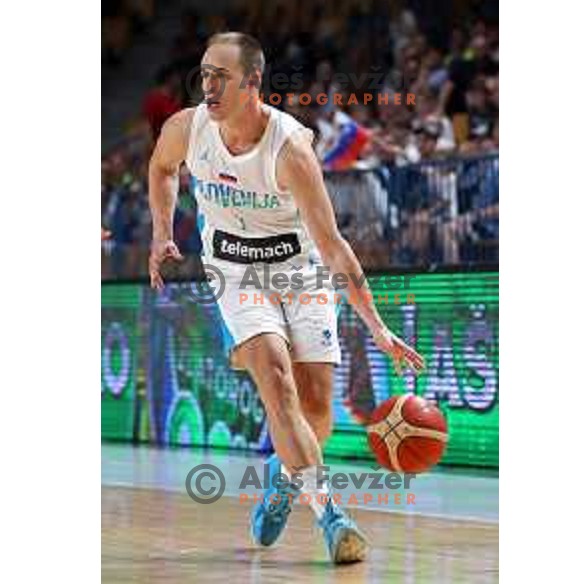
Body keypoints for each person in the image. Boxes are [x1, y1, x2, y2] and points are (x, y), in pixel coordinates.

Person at [148, 32, 425, 565]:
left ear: (253, 83)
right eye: (204, 73)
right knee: (276, 382)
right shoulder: (187, 129)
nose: (207, 86)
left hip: (300, 268)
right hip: (233, 267)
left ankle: (284, 476)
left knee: (316, 406)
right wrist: (164, 230)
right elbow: (161, 170)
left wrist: (377, 327)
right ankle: (331, 516)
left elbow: (336, 250)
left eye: (220, 76)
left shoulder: (290, 150)